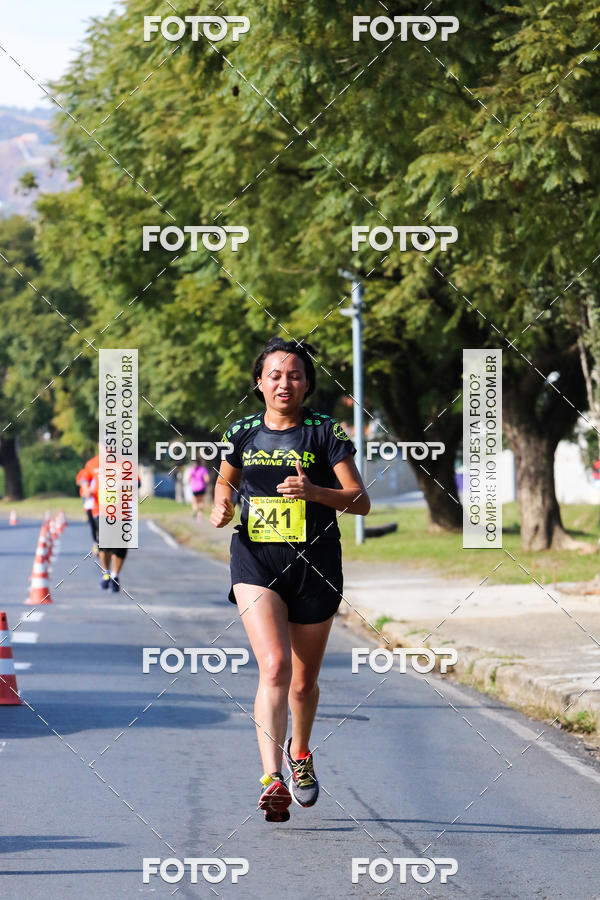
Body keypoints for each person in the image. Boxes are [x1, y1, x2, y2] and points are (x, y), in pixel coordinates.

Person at [210, 337, 370, 822]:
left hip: (315, 564)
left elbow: (359, 501)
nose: (285, 383)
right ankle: (272, 777)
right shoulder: (240, 432)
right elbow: (226, 480)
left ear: (307, 383)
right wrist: (222, 502)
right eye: (275, 375)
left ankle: (300, 753)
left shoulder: (325, 432)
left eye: (295, 375)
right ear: (259, 382)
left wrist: (315, 491)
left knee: (303, 682)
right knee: (274, 666)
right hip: (256, 559)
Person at [80, 450, 128, 593]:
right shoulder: (92, 463)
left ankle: (115, 575)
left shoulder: (125, 463)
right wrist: (85, 488)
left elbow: (136, 482)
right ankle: (106, 572)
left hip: (121, 510)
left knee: (120, 546)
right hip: (100, 509)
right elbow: (84, 479)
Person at [76, 464, 98, 556]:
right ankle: (95, 544)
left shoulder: (101, 474)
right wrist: (87, 489)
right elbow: (78, 481)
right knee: (93, 526)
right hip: (89, 505)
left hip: (99, 504)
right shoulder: (84, 472)